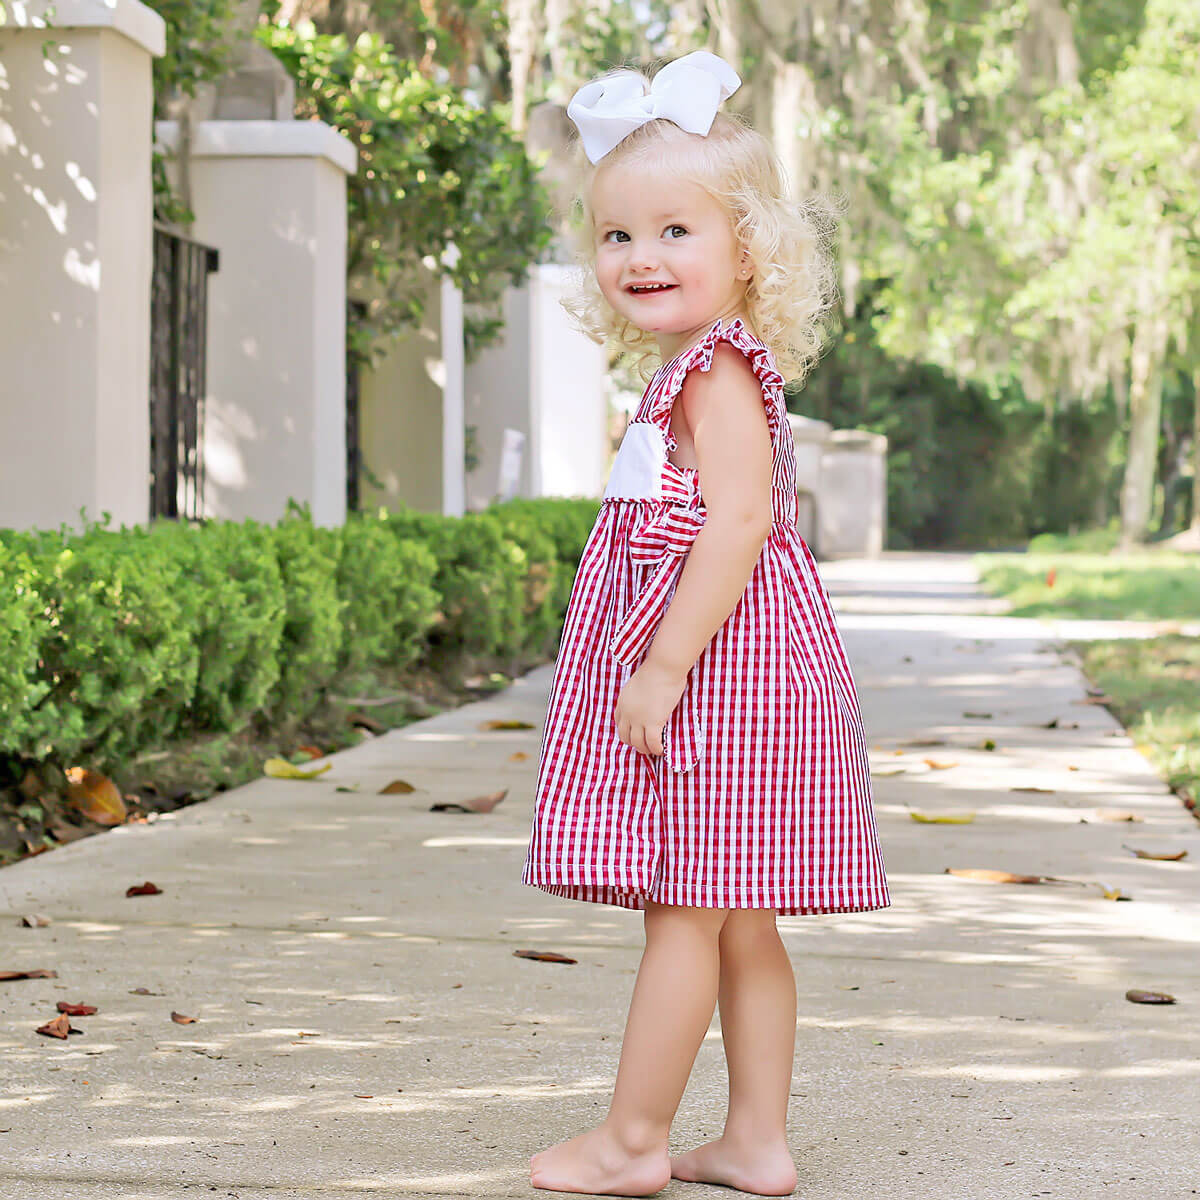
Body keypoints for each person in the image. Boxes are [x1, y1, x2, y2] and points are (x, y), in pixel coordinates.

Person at [520, 49, 891, 1198]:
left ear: (748, 249)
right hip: (741, 666)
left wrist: (664, 663)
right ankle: (756, 1140)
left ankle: (634, 1140)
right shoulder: (703, 364)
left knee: (685, 908)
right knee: (738, 920)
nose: (642, 256)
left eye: (676, 231)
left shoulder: (714, 374)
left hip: (720, 670)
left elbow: (741, 521)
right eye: (619, 235)